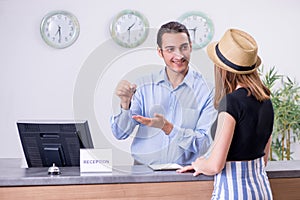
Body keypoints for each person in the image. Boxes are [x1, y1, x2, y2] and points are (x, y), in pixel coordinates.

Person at [177, 28, 274, 199]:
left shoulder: (231, 102)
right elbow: (263, 160)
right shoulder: (266, 101)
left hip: (234, 192)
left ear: (223, 69)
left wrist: (200, 164)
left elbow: (215, 166)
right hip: (262, 190)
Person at [110, 21, 217, 165]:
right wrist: (125, 104)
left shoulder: (207, 91)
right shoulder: (144, 85)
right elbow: (120, 133)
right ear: (160, 52)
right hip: (143, 172)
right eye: (170, 49)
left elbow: (205, 143)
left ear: (190, 47)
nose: (178, 55)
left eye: (183, 47)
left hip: (187, 176)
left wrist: (169, 128)